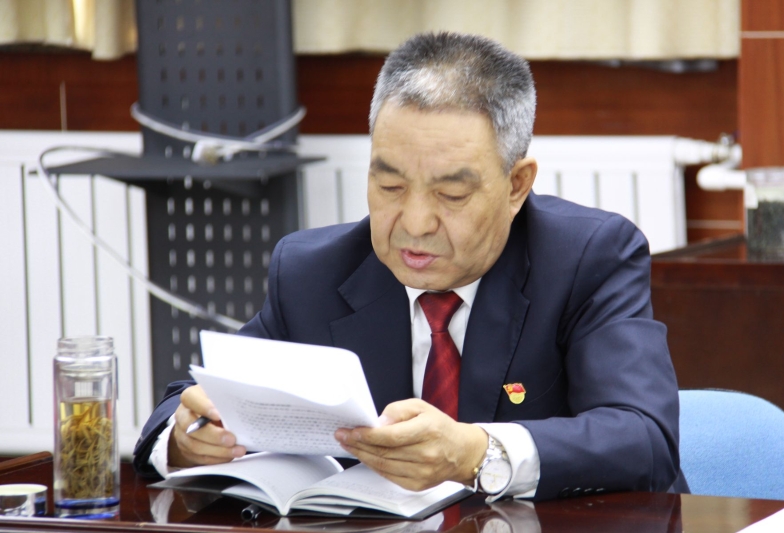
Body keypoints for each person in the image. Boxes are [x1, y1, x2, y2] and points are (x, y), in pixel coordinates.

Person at [134, 31, 687, 501]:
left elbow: (643, 437)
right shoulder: (314, 272)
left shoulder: (587, 257)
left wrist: (476, 453)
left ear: (517, 185)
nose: (415, 224)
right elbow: (189, 399)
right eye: (390, 185)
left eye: (451, 194)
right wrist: (186, 439)